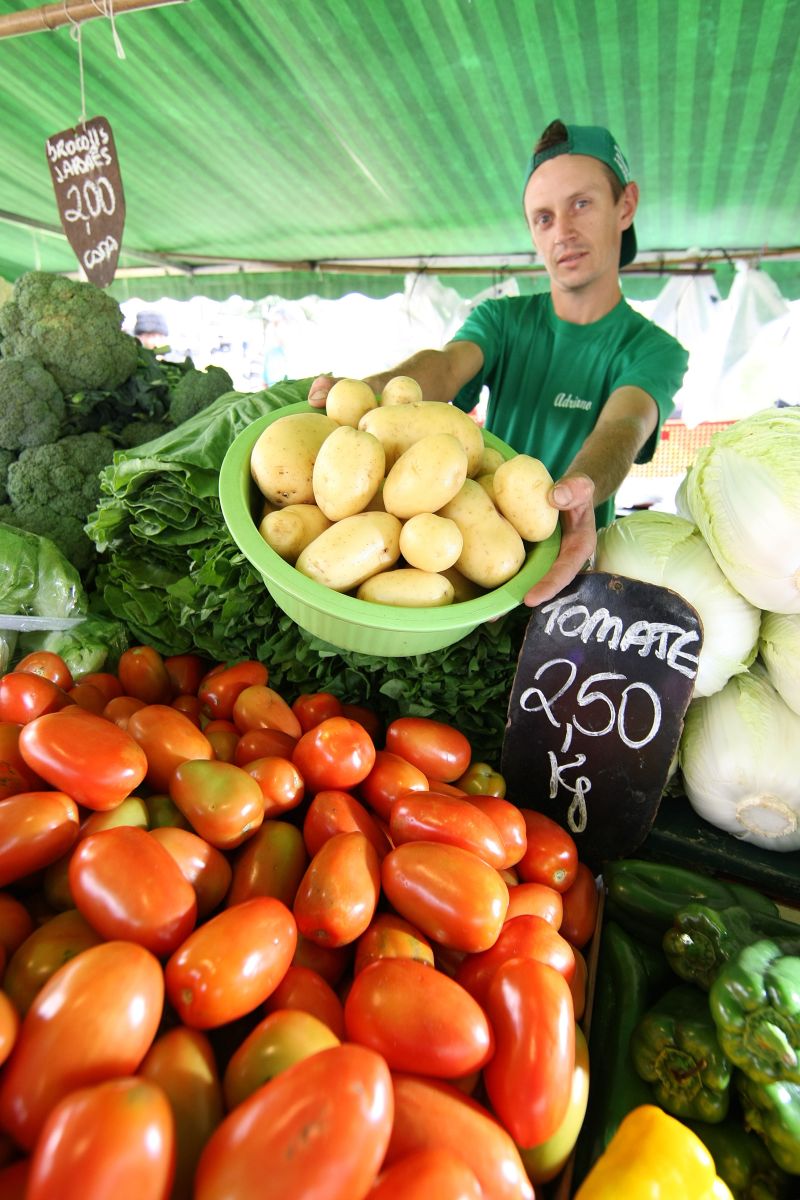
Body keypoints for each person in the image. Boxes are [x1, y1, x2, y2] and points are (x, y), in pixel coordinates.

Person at [308, 120, 689, 607]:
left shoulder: (652, 348)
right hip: (471, 563)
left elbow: (626, 423)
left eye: (581, 203)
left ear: (626, 204)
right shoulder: (503, 320)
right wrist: (373, 388)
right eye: (543, 217)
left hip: (571, 568)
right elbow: (445, 367)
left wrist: (579, 489)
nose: (563, 232)